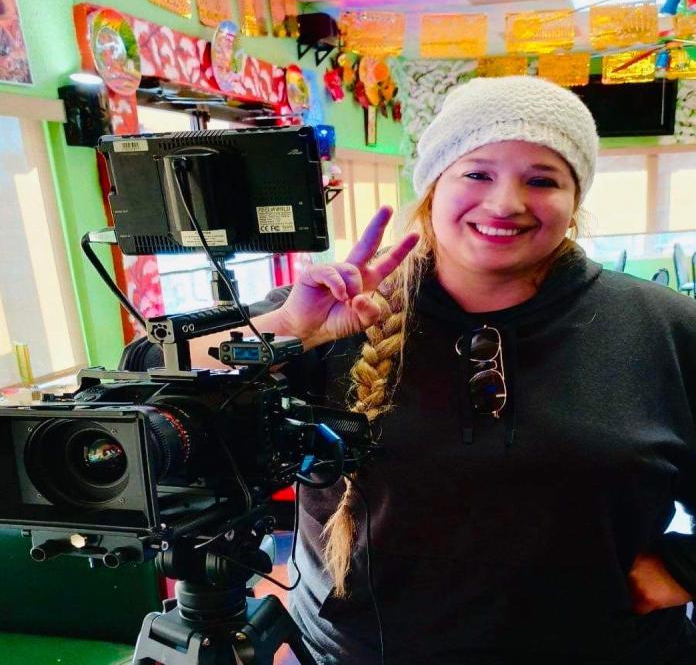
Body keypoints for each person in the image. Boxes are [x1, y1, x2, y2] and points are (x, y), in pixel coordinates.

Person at [192, 75, 696, 664]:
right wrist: (286, 332)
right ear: (433, 186)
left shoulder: (665, 328)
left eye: (542, 180)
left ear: (575, 198)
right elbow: (149, 373)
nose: (505, 203)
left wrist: (681, 570)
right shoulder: (335, 310)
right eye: (477, 173)